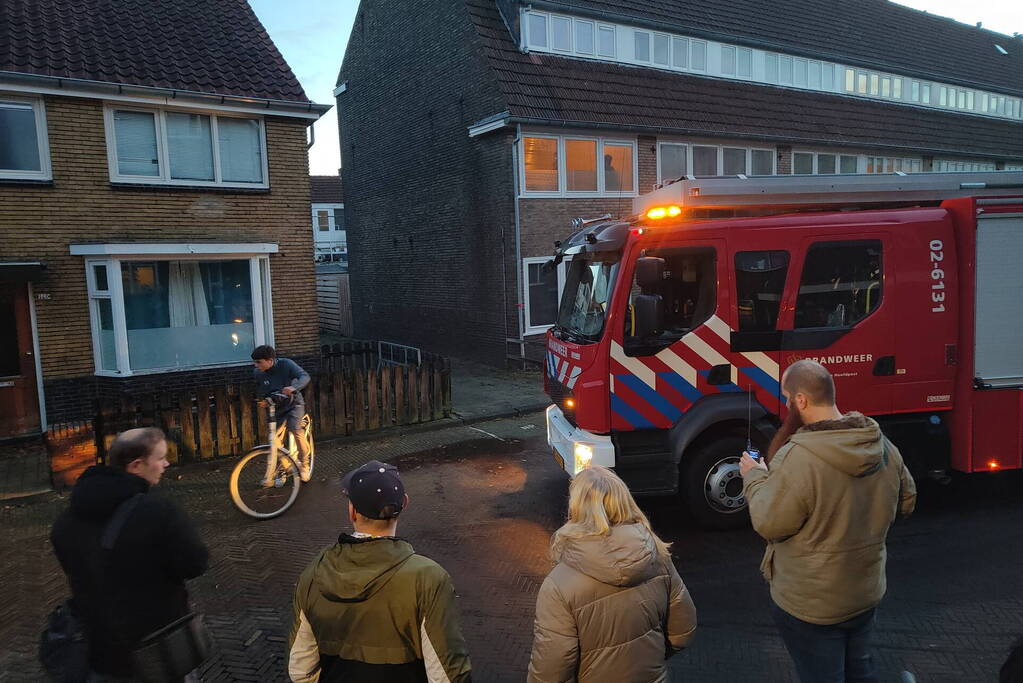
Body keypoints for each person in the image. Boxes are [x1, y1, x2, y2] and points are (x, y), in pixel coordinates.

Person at [740, 360, 917, 683]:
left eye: (786, 397)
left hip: (811, 605)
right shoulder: (883, 447)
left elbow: (769, 522)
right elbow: (906, 501)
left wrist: (754, 479)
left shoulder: (798, 460)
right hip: (864, 592)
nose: (785, 403)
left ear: (801, 401)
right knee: (860, 670)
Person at [288, 460, 472, 682]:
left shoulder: (312, 575)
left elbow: (300, 670)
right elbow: (446, 676)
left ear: (352, 511)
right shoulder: (429, 579)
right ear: (404, 503)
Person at [51, 428, 209, 681]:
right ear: (136, 465)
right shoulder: (158, 511)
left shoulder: (65, 522)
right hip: (158, 644)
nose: (166, 464)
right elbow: (196, 563)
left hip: (99, 647)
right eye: (160, 458)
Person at [527, 466, 697, 683]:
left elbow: (551, 669)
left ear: (576, 507)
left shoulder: (558, 586)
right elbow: (683, 632)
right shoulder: (660, 559)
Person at [251, 345, 313, 481]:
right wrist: (264, 401)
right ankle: (285, 466)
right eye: (254, 362)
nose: (256, 365)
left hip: (293, 404)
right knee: (274, 439)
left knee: (295, 429)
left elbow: (304, 376)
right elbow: (262, 391)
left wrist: (293, 387)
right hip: (276, 407)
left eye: (258, 362)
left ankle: (304, 465)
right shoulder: (258, 373)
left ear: (270, 360)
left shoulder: (286, 364)